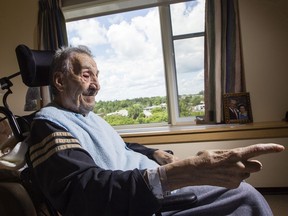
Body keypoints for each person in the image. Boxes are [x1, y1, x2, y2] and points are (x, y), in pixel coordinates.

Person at [25, 45, 285, 216]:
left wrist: (154, 151)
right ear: (59, 81)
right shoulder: (49, 125)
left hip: (147, 181)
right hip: (141, 199)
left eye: (97, 76)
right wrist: (176, 174)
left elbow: (120, 149)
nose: (97, 85)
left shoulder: (86, 116)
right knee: (244, 197)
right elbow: (83, 192)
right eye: (86, 75)